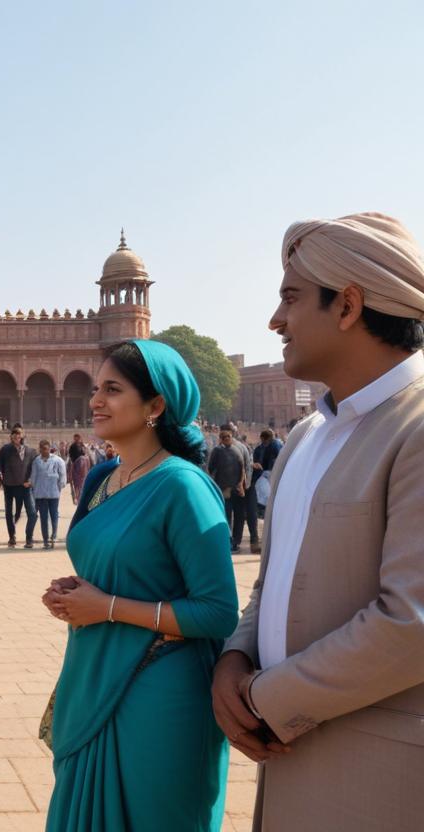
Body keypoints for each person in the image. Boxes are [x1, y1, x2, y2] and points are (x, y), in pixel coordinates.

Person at [212, 212, 424, 830]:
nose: (276, 321)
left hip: (376, 775)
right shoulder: (307, 436)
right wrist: (235, 657)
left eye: (291, 298)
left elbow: (411, 623)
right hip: (285, 761)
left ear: (349, 305)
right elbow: (273, 581)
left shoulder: (413, 430)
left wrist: (264, 699)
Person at [42, 340, 239, 830]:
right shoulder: (105, 477)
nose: (96, 401)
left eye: (113, 389)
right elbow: (116, 563)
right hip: (92, 673)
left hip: (158, 692)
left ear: (156, 406)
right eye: (95, 388)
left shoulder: (182, 486)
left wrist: (106, 606)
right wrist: (76, 589)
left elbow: (217, 612)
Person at [0, 425, 38, 548]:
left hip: (25, 487)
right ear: (11, 437)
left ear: (22, 436)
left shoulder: (31, 451)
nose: (16, 436)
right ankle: (12, 537)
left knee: (32, 513)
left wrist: (30, 480)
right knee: (9, 512)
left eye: (18, 434)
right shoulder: (5, 450)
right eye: (14, 434)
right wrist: (0, 477)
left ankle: (29, 538)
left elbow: (35, 468)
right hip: (9, 486)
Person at [207, 426, 247, 554]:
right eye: (224, 437)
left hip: (236, 488)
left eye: (228, 437)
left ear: (231, 437)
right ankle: (228, 541)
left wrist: (241, 484)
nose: (227, 439)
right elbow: (211, 469)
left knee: (239, 516)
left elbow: (242, 469)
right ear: (221, 439)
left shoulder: (237, 450)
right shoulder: (217, 451)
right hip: (224, 489)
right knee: (227, 516)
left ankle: (236, 541)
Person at [30, 439, 67, 549]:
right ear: (39, 449)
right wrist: (33, 489)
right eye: (42, 449)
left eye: (46, 449)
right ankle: (45, 539)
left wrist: (59, 487)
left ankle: (53, 536)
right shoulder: (36, 461)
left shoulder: (58, 460)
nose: (44, 451)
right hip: (40, 493)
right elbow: (34, 476)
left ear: (49, 448)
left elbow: (62, 476)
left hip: (53, 493)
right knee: (43, 517)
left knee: (54, 515)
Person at [250, 428, 281, 521]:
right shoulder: (260, 448)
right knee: (264, 494)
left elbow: (278, 459)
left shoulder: (276, 445)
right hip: (264, 474)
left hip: (271, 473)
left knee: (267, 494)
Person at [67, 433, 90, 504]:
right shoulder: (72, 446)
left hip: (83, 466)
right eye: (75, 438)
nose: (77, 439)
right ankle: (77, 497)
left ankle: (81, 497)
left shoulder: (82, 445)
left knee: (82, 484)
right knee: (77, 484)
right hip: (76, 466)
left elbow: (85, 453)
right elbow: (71, 456)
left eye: (78, 438)